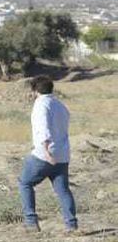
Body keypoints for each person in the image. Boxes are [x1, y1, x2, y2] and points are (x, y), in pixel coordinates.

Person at [21, 76, 77, 232]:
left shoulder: (40, 105)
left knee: (25, 183)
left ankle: (31, 222)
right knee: (63, 190)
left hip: (45, 154)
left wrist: (46, 152)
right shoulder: (60, 105)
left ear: (35, 90)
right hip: (63, 154)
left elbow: (43, 129)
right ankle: (71, 224)